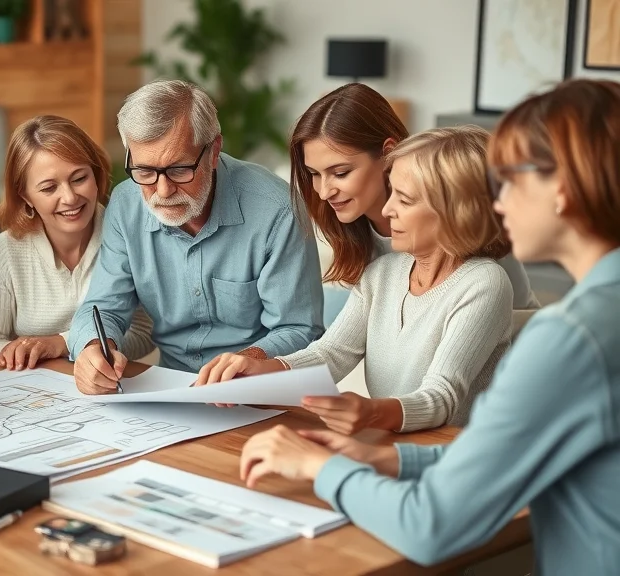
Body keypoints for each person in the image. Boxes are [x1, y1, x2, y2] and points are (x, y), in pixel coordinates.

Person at [237, 79, 620, 574]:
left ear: (562, 191)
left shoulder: (568, 335)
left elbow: (431, 525)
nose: (495, 199)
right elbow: (499, 456)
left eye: (510, 181)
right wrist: (388, 461)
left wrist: (319, 467)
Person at [197, 127, 513, 433]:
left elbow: (442, 396)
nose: (388, 210)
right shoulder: (382, 273)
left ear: (456, 210)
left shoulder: (484, 283)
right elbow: (330, 354)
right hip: (388, 443)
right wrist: (263, 371)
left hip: (448, 456)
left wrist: (369, 412)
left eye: (404, 199)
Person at [66, 79, 324, 394]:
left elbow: (298, 328)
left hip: (260, 393)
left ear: (214, 151)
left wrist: (248, 361)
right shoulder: (125, 203)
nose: (162, 191)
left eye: (178, 169)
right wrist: (93, 346)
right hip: (170, 391)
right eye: (145, 171)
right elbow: (104, 306)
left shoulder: (278, 210)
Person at [289, 83, 537, 322]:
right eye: (314, 174)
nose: (323, 192)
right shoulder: (345, 228)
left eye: (341, 173)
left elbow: (519, 311)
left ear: (388, 152)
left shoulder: (453, 212)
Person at [0, 115, 154, 368]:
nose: (70, 198)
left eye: (79, 178)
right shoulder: (7, 249)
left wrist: (62, 343)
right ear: (25, 196)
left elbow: (146, 332)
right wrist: (18, 350)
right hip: (38, 393)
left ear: (96, 174)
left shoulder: (128, 233)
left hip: (114, 387)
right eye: (49, 188)